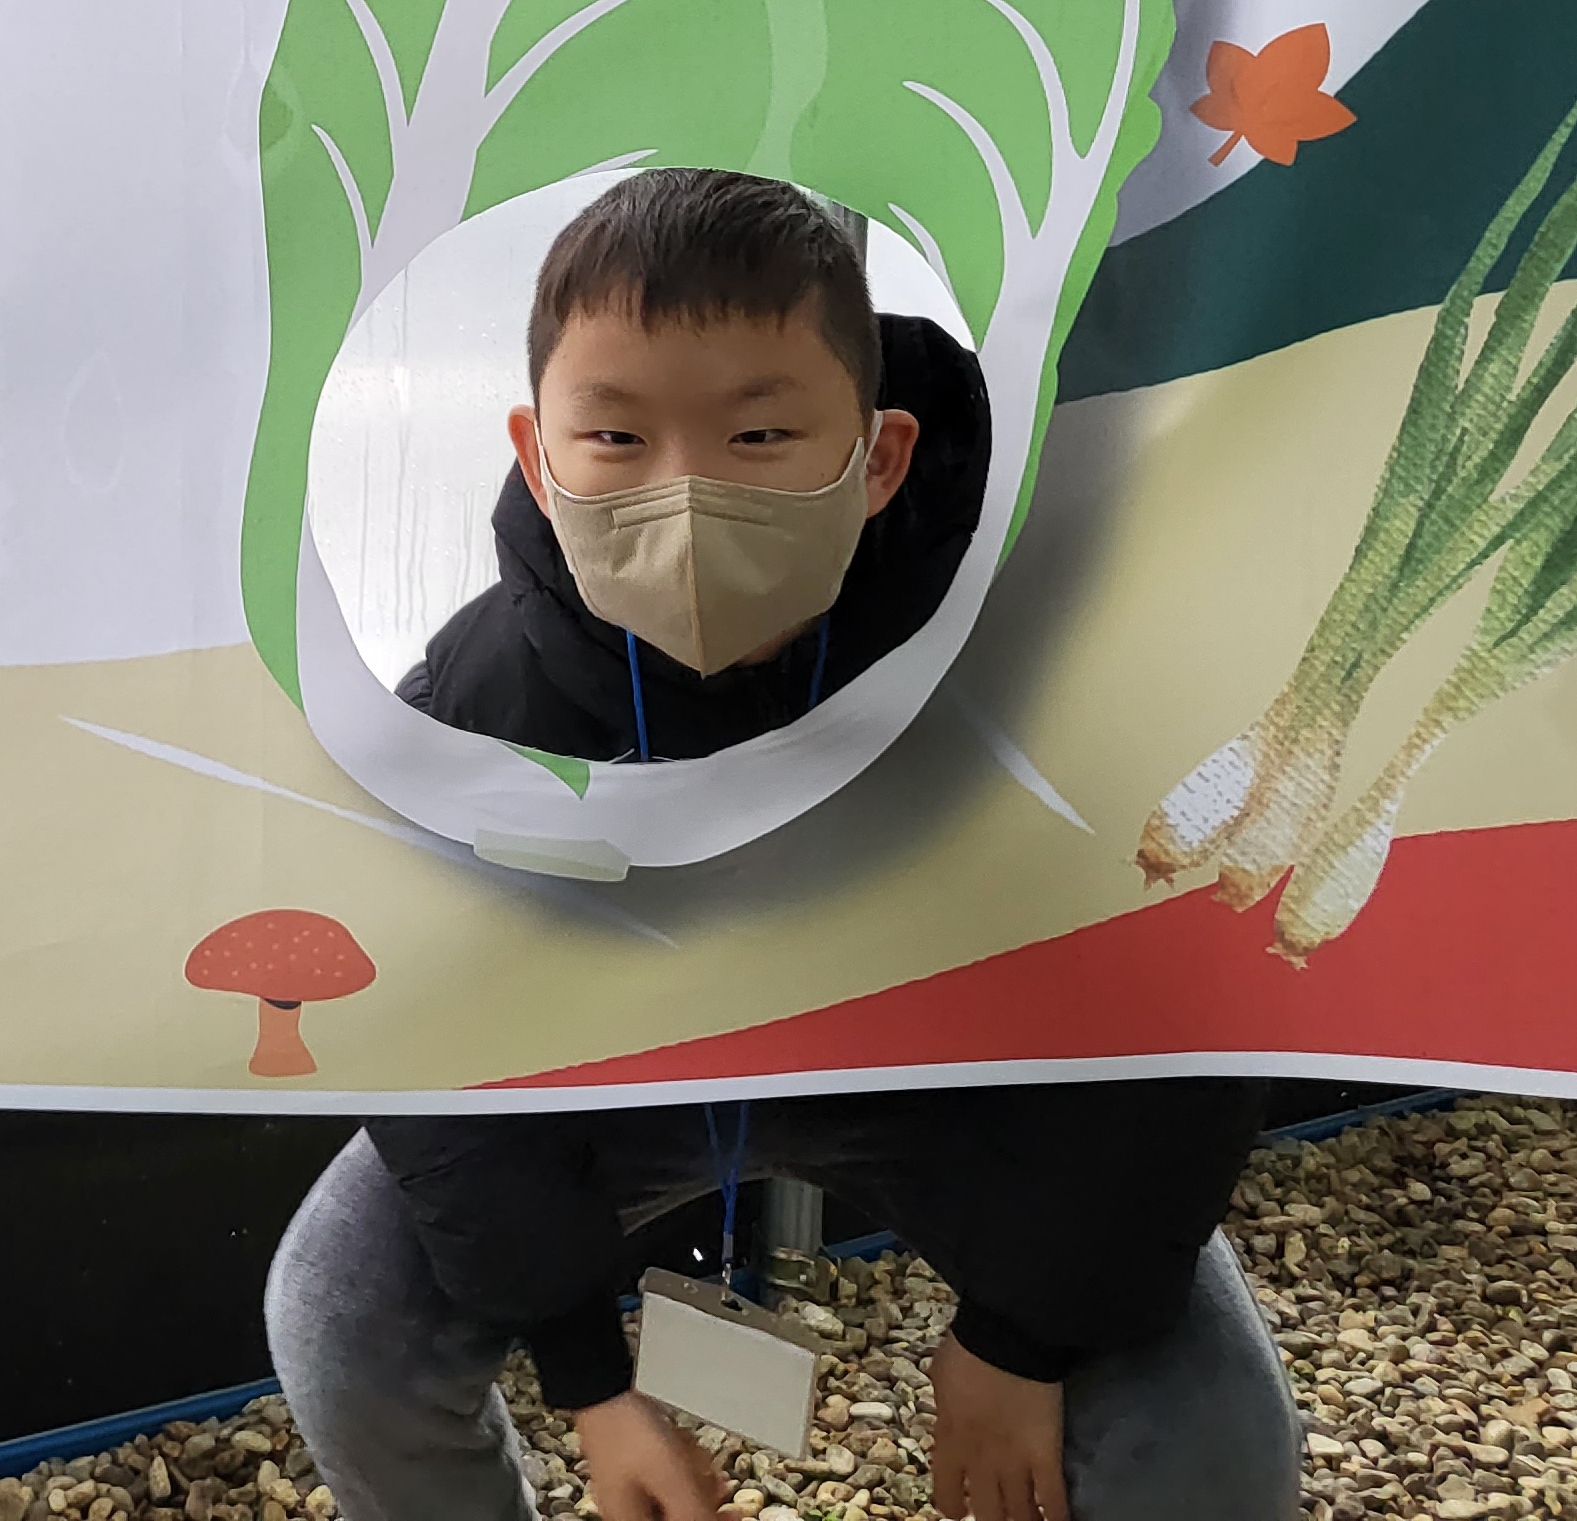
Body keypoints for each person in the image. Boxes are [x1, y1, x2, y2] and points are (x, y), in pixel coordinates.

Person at [266, 170, 1296, 1521]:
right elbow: (434, 1044)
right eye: (615, 437)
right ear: (535, 453)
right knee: (338, 1315)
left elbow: (1186, 984)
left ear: (881, 457)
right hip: (631, 1079)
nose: (685, 498)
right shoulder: (479, 702)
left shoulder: (1045, 645)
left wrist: (1023, 1339)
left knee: (1211, 1437)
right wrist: (589, 1377)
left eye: (759, 436)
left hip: (958, 1073)